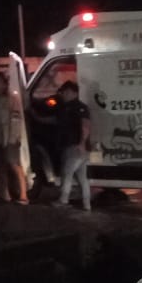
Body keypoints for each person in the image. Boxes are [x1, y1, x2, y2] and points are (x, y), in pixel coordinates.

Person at [0, 72, 29, 204]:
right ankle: (5, 194)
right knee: (0, 166)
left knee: (14, 165)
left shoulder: (12, 98)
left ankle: (24, 195)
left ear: (4, 83)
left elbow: (16, 119)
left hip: (9, 138)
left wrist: (12, 138)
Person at [52, 80, 92, 211]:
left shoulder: (79, 107)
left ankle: (63, 200)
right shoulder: (66, 108)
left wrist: (81, 143)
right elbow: (54, 121)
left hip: (75, 147)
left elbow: (85, 126)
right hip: (76, 147)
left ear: (72, 92)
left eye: (65, 92)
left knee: (67, 173)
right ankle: (87, 205)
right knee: (82, 177)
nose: (63, 94)